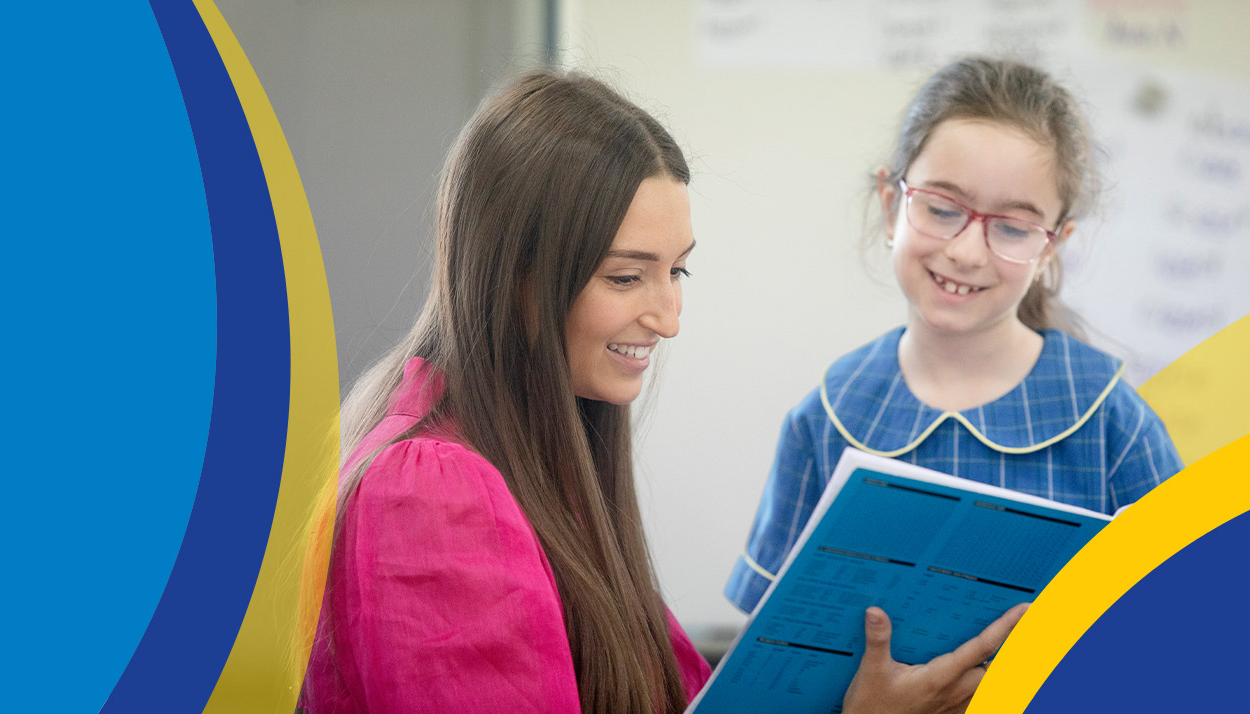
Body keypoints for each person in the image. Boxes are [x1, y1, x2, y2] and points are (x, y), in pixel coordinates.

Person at [300, 69, 1021, 714]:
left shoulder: (538, 457)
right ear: (513, 275)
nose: (668, 319)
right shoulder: (431, 492)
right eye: (625, 277)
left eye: (677, 271)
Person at [725, 56, 1184, 615]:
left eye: (1013, 227)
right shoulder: (827, 416)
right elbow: (775, 652)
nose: (966, 252)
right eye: (942, 209)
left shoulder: (1112, 422)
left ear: (1052, 246)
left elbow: (1183, 620)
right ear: (891, 204)